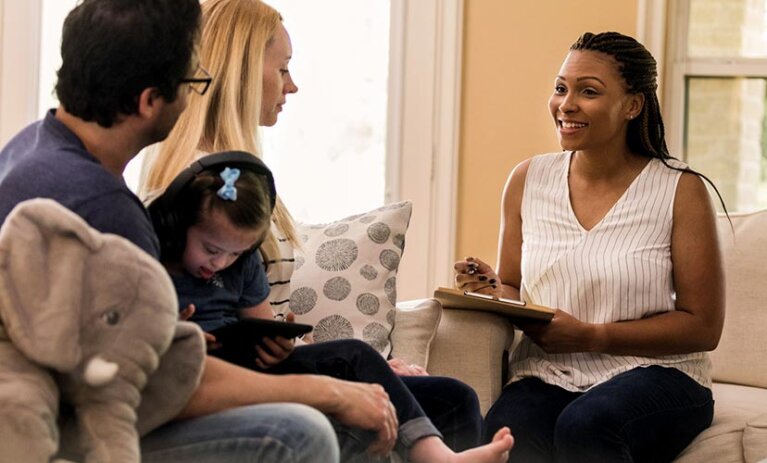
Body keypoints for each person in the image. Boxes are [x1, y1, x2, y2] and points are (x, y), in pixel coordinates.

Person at [140, 0, 511, 458]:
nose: (292, 86)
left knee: (450, 396)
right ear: (242, 71)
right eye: (283, 69)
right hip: (233, 377)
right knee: (446, 403)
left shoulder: (245, 182)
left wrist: (374, 371)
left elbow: (264, 318)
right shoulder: (193, 191)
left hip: (270, 363)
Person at [0, 1, 357, 462]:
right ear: (149, 101)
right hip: (60, 425)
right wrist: (329, 392)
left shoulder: (31, 144)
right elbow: (168, 386)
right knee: (297, 431)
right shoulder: (107, 212)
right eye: (193, 82)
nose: (196, 95)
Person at [454, 31, 725, 462]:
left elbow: (703, 326)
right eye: (561, 88)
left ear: (632, 106)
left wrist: (591, 335)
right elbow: (512, 285)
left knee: (586, 425)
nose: (566, 104)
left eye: (589, 92)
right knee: (509, 434)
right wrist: (490, 292)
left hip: (660, 374)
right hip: (547, 372)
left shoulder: (680, 190)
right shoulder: (528, 179)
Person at [148, 150, 514, 462]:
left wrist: (277, 346)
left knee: (355, 355)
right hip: (195, 373)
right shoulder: (152, 261)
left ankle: (436, 454)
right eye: (211, 250)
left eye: (235, 253)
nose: (220, 263)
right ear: (177, 226)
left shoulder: (242, 265)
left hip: (249, 368)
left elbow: (260, 325)